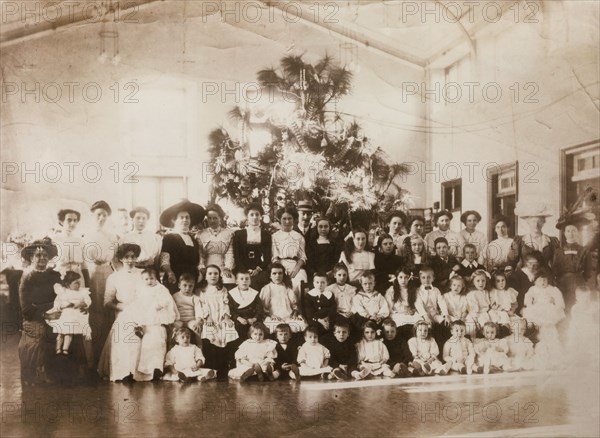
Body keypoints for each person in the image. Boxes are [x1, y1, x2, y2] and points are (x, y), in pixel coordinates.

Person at [18, 239, 62, 385]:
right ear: (31, 258)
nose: (42, 258)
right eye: (38, 255)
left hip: (55, 315)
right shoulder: (27, 277)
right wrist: (46, 313)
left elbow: (61, 299)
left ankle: (61, 372)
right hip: (34, 318)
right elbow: (26, 309)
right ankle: (36, 373)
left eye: (45, 255)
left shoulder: (54, 276)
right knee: (40, 332)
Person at [97, 243, 143, 380]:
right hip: (123, 311)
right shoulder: (114, 277)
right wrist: (122, 307)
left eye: (133, 257)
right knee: (125, 333)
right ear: (121, 259)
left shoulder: (143, 274)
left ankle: (139, 372)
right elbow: (107, 302)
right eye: (126, 257)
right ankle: (123, 372)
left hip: (142, 311)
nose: (130, 260)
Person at [128, 267, 178, 381]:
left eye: (151, 278)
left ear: (156, 279)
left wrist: (159, 305)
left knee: (158, 343)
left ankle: (157, 369)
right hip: (147, 321)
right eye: (146, 279)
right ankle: (146, 370)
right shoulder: (142, 289)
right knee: (147, 346)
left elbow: (167, 301)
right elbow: (138, 303)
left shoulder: (161, 288)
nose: (149, 281)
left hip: (157, 320)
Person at [85, 200, 119, 362]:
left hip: (108, 271)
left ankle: (109, 351)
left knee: (109, 306)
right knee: (96, 308)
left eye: (104, 215)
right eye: (98, 214)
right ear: (93, 215)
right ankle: (96, 351)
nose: (101, 218)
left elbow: (117, 259)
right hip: (93, 272)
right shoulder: (86, 234)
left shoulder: (112, 236)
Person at [194, 265, 238, 376]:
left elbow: (225, 304)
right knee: (209, 334)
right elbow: (202, 305)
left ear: (219, 276)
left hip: (222, 317)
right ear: (205, 277)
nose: (213, 276)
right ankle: (212, 366)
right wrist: (207, 317)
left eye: (216, 273)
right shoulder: (202, 291)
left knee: (228, 331)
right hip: (209, 318)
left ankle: (226, 365)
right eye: (210, 273)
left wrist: (227, 317)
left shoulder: (223, 290)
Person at [159, 199, 205, 292]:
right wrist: (169, 272)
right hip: (175, 277)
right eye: (181, 217)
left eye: (187, 217)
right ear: (174, 221)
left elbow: (199, 260)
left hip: (192, 278)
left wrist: (201, 272)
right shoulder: (169, 238)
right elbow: (164, 260)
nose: (185, 220)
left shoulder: (193, 239)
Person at [522, 270, 565, 363]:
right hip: (537, 311)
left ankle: (554, 353)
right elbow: (527, 298)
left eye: (545, 280)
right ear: (535, 281)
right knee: (540, 332)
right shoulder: (533, 289)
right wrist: (530, 305)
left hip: (549, 311)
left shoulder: (552, 289)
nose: (543, 282)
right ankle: (541, 352)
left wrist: (553, 302)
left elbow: (559, 301)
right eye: (540, 280)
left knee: (550, 330)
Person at [48, 271, 91, 357]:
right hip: (65, 315)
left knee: (69, 333)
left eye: (79, 283)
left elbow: (88, 301)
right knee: (61, 332)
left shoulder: (82, 292)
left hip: (75, 316)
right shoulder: (63, 292)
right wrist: (63, 306)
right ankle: (58, 348)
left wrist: (82, 304)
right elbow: (57, 303)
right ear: (68, 284)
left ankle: (65, 348)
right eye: (76, 283)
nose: (78, 285)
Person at [271, 206, 308, 302]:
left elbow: (302, 257)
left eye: (289, 218)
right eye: (284, 219)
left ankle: (299, 310)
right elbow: (274, 257)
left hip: (295, 265)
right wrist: (282, 270)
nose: (287, 221)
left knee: (300, 280)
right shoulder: (274, 236)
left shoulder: (299, 236)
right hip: (279, 266)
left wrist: (296, 269)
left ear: (294, 219)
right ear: (279, 219)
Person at [232, 203, 272, 291]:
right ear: (247, 216)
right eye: (251, 214)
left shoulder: (266, 235)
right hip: (241, 268)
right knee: (243, 280)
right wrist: (244, 270)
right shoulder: (239, 234)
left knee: (259, 280)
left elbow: (267, 257)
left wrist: (257, 270)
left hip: (259, 269)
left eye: (257, 214)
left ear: (261, 216)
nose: (254, 217)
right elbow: (237, 256)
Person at [553, 215, 587, 312]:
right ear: (564, 233)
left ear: (578, 232)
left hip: (578, 282)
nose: (571, 234)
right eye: (568, 231)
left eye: (573, 231)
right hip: (562, 282)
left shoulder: (584, 250)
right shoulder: (558, 251)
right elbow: (555, 268)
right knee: (564, 306)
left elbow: (588, 271)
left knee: (577, 305)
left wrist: (579, 278)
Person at [260, 263, 307, 334]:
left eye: (280, 273)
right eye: (274, 273)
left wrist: (294, 313)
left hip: (289, 316)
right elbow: (263, 307)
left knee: (299, 325)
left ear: (283, 275)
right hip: (274, 317)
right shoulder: (267, 288)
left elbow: (294, 305)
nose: (277, 276)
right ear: (270, 275)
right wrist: (271, 315)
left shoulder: (287, 288)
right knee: (275, 328)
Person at [511, 202, 559, 270]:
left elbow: (556, 263)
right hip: (525, 276)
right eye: (533, 221)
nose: (536, 225)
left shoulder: (552, 241)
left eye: (539, 221)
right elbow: (511, 262)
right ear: (528, 222)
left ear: (543, 223)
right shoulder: (520, 241)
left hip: (545, 276)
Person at [197, 204, 235, 286]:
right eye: (209, 218)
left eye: (215, 218)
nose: (212, 221)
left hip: (222, 265)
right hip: (206, 266)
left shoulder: (228, 233)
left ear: (220, 218)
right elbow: (200, 253)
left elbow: (229, 253)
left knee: (229, 280)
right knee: (198, 280)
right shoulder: (201, 234)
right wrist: (201, 266)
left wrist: (227, 268)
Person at [52, 209, 89, 283]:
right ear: (61, 222)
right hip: (60, 276)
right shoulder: (55, 239)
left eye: (75, 220)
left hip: (77, 276)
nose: (72, 223)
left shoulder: (80, 241)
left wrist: (87, 282)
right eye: (69, 220)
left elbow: (84, 265)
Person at [227, 270, 264, 341]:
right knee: (237, 330)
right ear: (236, 281)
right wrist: (238, 318)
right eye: (241, 279)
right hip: (238, 319)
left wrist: (254, 318)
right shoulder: (231, 293)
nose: (244, 281)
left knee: (257, 329)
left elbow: (260, 309)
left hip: (252, 319)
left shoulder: (254, 293)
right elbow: (230, 309)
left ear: (250, 282)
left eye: (247, 279)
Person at [385, 267, 420, 337]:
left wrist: (413, 310)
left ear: (409, 278)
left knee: (419, 324)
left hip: (410, 314)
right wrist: (402, 311)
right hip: (397, 314)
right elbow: (389, 308)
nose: (403, 280)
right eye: (400, 277)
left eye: (406, 277)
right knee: (402, 325)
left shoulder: (413, 290)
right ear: (396, 278)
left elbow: (417, 303)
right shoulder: (391, 290)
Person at [465, 270, 493, 339]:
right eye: (478, 281)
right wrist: (476, 321)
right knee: (473, 328)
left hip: (484, 313)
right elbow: (470, 309)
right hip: (474, 315)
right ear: (473, 282)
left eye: (483, 280)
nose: (481, 283)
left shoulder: (486, 292)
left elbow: (488, 305)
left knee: (490, 325)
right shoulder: (472, 294)